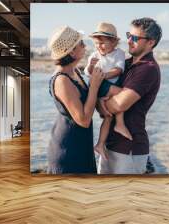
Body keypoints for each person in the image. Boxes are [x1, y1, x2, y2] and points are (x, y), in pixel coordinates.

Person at [98, 17, 162, 174]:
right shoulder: (124, 64)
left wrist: (100, 102)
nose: (128, 41)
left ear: (150, 42)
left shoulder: (148, 69)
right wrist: (100, 101)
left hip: (130, 148)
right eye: (128, 35)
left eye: (135, 38)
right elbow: (102, 106)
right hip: (110, 144)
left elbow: (119, 105)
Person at [46, 26, 105, 174]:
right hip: (68, 149)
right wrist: (94, 86)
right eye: (81, 43)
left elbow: (87, 102)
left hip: (80, 143)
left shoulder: (75, 71)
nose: (85, 46)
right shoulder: (62, 80)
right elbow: (83, 120)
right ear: (71, 52)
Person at [83, 23, 133, 163]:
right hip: (99, 85)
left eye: (103, 43)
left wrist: (103, 75)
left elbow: (118, 70)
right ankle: (120, 124)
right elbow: (88, 73)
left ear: (113, 42)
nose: (99, 46)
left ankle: (99, 144)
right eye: (97, 43)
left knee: (108, 117)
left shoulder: (119, 54)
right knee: (123, 94)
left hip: (107, 81)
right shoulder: (94, 55)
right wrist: (92, 66)